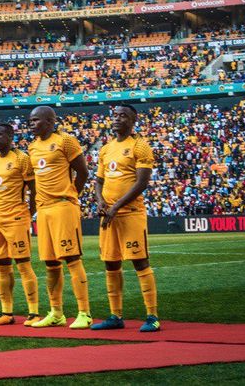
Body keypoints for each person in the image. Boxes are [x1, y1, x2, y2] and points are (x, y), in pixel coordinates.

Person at [91, 104, 160, 332]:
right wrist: (101, 202)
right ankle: (115, 316)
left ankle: (152, 316)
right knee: (111, 263)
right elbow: (99, 181)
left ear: (133, 121)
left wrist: (116, 206)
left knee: (140, 262)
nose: (118, 119)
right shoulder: (106, 149)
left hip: (130, 214)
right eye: (115, 115)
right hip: (108, 215)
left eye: (123, 116)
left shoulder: (140, 146)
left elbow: (141, 183)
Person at [27, 106, 92, 329]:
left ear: (50, 121)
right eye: (30, 120)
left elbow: (83, 172)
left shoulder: (66, 141)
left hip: (63, 206)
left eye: (35, 120)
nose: (31, 123)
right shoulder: (32, 147)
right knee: (50, 264)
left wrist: (72, 195)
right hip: (43, 210)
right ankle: (56, 313)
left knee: (72, 258)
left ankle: (84, 312)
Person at [0, 123, 40, 326]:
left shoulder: (21, 159)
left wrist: (29, 212)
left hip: (16, 218)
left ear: (10, 137)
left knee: (23, 265)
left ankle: (33, 312)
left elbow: (34, 189)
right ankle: (6, 313)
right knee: (2, 267)